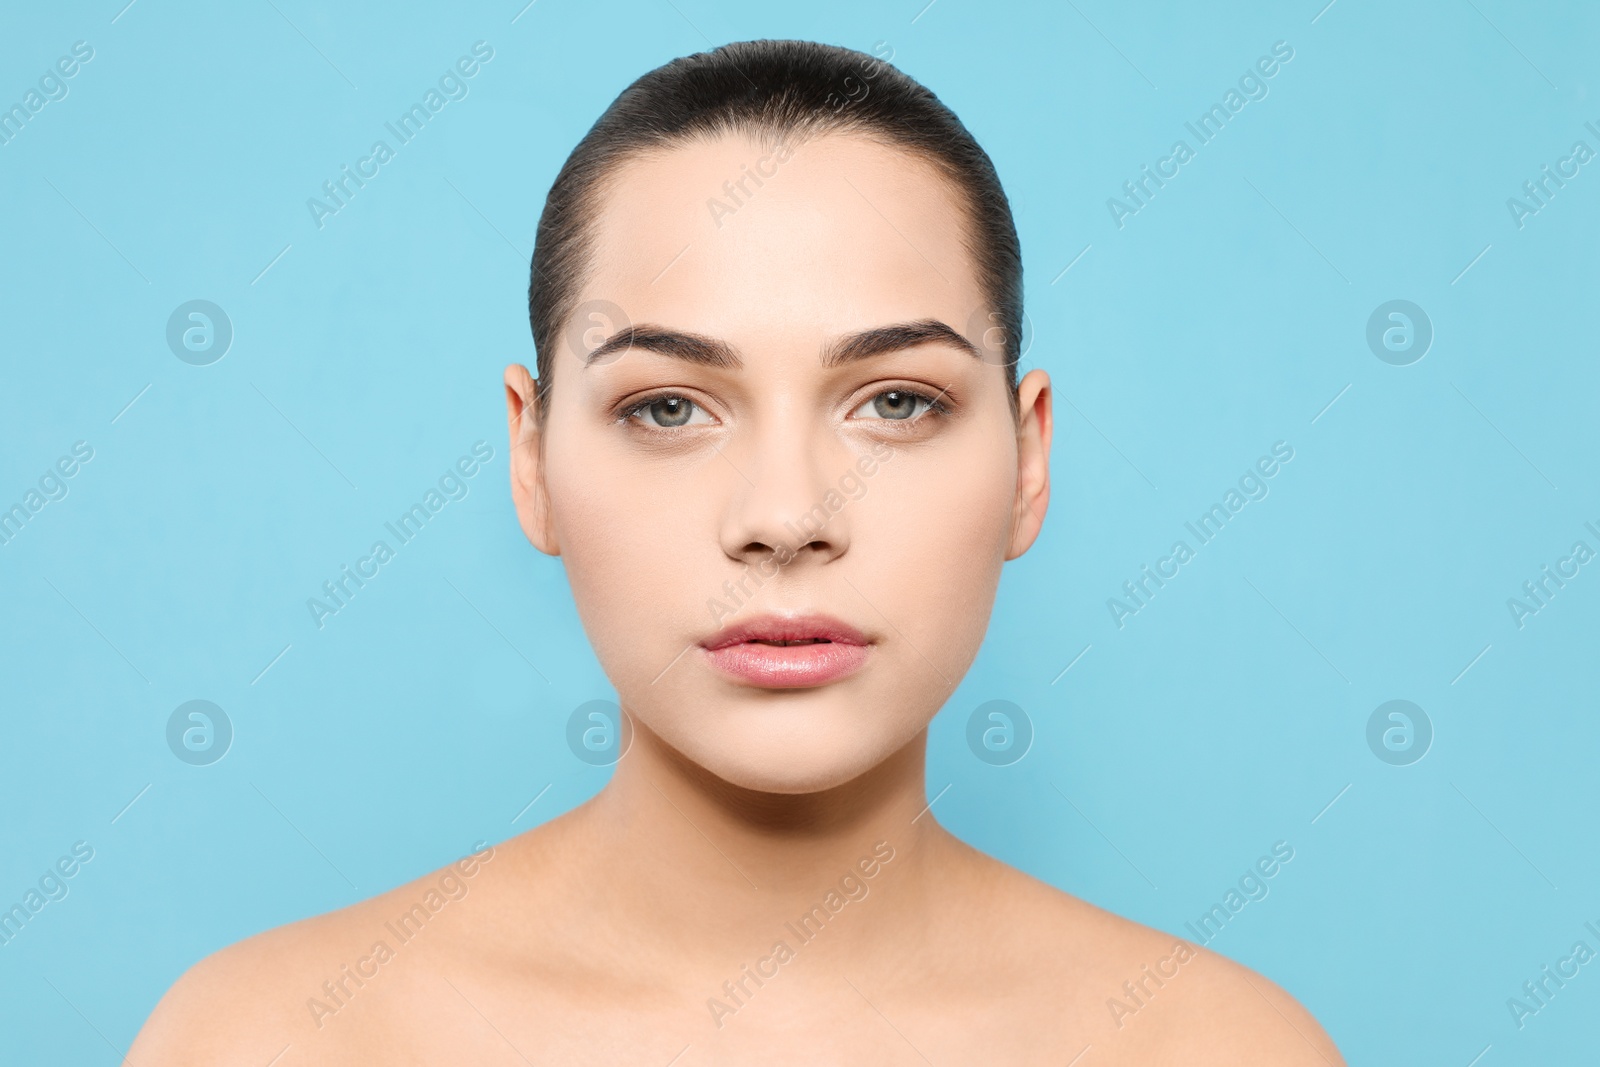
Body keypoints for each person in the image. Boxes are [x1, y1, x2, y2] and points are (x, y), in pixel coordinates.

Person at [132, 39, 1343, 1064]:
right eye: (667, 407)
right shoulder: (263, 1036)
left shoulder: (1221, 1045)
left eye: (896, 400)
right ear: (532, 458)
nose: (784, 515)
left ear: (1027, 461)